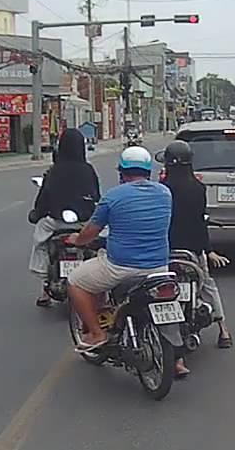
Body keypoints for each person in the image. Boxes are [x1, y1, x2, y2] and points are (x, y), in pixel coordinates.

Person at [65, 145, 173, 352]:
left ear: (122, 172)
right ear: (148, 171)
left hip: (121, 266)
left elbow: (90, 233)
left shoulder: (113, 197)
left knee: (75, 282)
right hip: (159, 266)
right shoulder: (165, 193)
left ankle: (97, 333)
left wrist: (77, 240)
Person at [160, 140, 234, 378]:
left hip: (165, 251)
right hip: (192, 252)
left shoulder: (161, 189)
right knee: (208, 286)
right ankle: (223, 330)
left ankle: (175, 352)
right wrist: (208, 250)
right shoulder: (198, 189)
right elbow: (199, 222)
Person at [28, 128, 102, 307]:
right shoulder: (88, 170)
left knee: (40, 241)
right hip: (83, 223)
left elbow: (43, 199)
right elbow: (96, 196)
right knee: (99, 243)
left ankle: (45, 288)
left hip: (56, 222)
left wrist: (36, 214)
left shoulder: (54, 171)